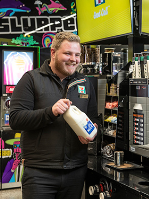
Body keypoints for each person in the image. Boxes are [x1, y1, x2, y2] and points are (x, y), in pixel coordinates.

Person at [9, 32, 98, 199]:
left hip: (75, 170)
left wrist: (93, 131)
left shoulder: (85, 82)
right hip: (39, 173)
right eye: (67, 53)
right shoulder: (31, 79)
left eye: (77, 55)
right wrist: (50, 112)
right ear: (53, 52)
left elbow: (94, 117)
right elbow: (16, 119)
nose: (74, 59)